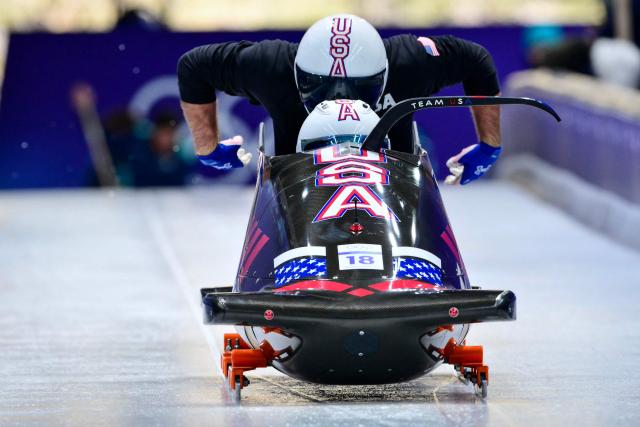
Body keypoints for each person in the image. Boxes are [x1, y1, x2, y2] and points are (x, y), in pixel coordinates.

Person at [177, 14, 502, 185]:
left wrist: (490, 144)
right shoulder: (271, 66)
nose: (340, 98)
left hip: (394, 184)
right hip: (300, 192)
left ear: (383, 74)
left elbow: (475, 60)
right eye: (323, 87)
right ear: (299, 73)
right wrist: (207, 148)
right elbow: (194, 67)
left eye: (358, 87)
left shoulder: (410, 61)